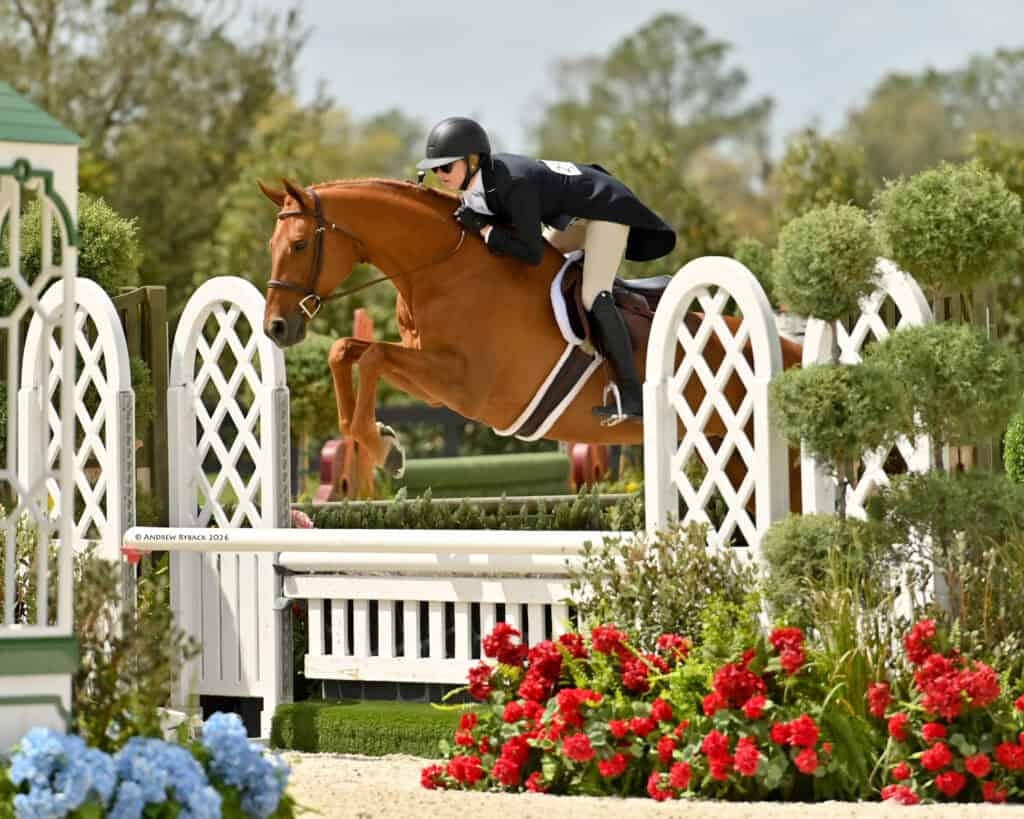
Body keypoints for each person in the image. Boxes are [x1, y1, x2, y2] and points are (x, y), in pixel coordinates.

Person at [416, 116, 676, 424]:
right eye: (435, 169)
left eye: (445, 167)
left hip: (606, 211)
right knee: (548, 275)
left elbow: (531, 252)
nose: (439, 174)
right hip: (577, 217)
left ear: (473, 160)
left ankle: (633, 396)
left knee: (594, 294)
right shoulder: (478, 186)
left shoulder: (513, 182)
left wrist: (486, 231)